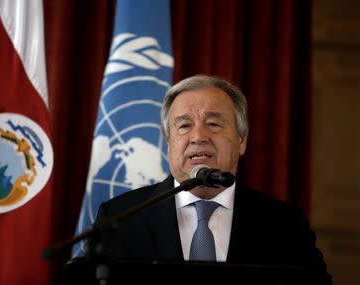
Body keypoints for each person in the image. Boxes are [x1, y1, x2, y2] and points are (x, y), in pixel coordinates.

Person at [91, 74, 331, 283]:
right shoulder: (120, 220)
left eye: (213, 124)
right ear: (168, 142)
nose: (198, 136)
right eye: (184, 126)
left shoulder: (285, 225)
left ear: (241, 140)